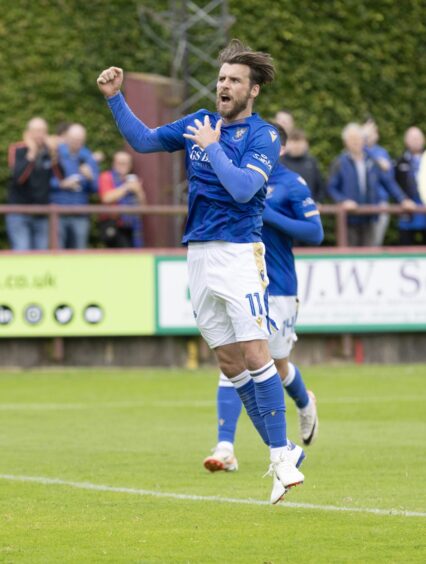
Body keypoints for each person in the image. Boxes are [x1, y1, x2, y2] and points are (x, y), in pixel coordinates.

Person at [98, 39, 304, 504]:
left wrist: (212, 150)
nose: (223, 87)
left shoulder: (264, 135)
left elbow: (243, 187)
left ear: (252, 91)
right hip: (198, 254)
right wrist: (115, 97)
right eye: (221, 80)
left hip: (238, 253)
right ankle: (284, 449)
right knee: (230, 364)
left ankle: (279, 457)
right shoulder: (199, 123)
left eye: (234, 80)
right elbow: (145, 141)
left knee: (255, 352)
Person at [204, 125, 323, 474]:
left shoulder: (291, 184)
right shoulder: (238, 175)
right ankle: (225, 446)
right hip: (241, 279)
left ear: (280, 149)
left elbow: (315, 233)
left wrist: (266, 212)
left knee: (277, 362)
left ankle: (304, 401)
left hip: (278, 285)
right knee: (236, 357)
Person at [327, 123, 415, 246]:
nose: (356, 142)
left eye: (358, 139)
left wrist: (403, 199)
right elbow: (331, 188)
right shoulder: (339, 162)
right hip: (348, 219)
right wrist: (343, 201)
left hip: (370, 217)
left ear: (363, 141)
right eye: (352, 139)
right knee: (350, 256)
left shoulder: (373, 161)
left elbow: (388, 183)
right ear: (345, 142)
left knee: (369, 255)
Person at [6, 117, 62, 251]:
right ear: (28, 133)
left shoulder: (50, 151)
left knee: (41, 255)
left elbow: (61, 177)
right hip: (19, 212)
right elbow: (18, 178)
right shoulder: (17, 149)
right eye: (36, 131)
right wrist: (32, 153)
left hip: (41, 213)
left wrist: (54, 153)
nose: (40, 134)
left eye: (43, 131)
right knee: (22, 251)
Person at [50, 123, 99, 249]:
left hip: (80, 213)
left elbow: (96, 189)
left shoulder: (88, 157)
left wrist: (90, 177)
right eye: (74, 139)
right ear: (67, 138)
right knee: (57, 251)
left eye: (80, 140)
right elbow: (44, 182)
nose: (77, 143)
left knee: (79, 252)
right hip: (59, 211)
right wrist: (61, 184)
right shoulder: (55, 154)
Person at [98, 151, 146, 248]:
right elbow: (106, 198)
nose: (122, 166)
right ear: (114, 163)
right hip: (113, 224)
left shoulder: (133, 179)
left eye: (125, 163)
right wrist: (126, 187)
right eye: (119, 163)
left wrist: (138, 191)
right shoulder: (106, 177)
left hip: (132, 226)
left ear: (130, 165)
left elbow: (143, 207)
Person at [362, 118, 393, 246]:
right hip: (361, 203)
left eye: (372, 132)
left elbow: (389, 175)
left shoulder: (382, 152)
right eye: (366, 132)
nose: (369, 135)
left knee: (375, 243)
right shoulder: (356, 151)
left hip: (380, 203)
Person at [394, 127, 426, 244]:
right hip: (407, 208)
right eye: (412, 138)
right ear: (406, 141)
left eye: (418, 138)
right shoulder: (400, 162)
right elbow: (393, 184)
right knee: (406, 242)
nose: (416, 141)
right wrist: (402, 199)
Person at [281, 128, 325, 203]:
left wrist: (318, 202)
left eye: (299, 142)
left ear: (306, 144)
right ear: (287, 144)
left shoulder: (311, 162)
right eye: (293, 142)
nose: (296, 146)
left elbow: (320, 187)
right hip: (284, 210)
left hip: (308, 209)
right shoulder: (280, 162)